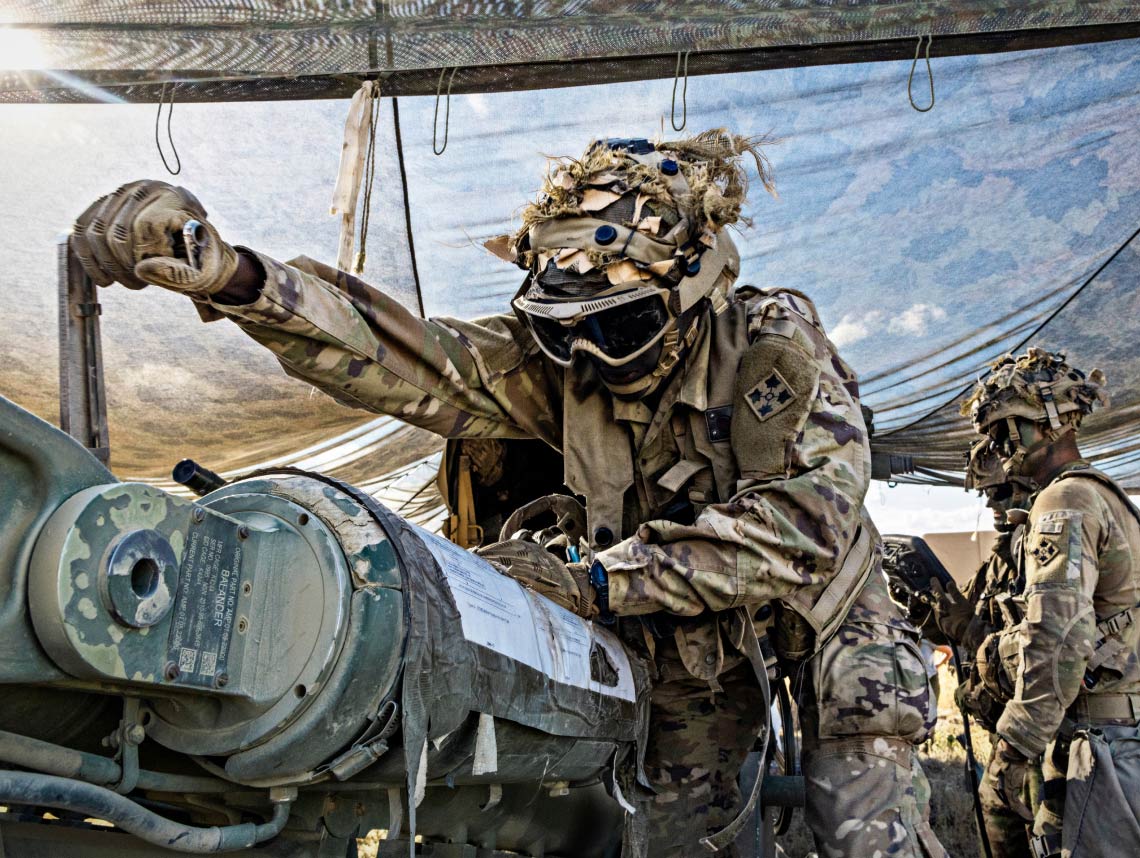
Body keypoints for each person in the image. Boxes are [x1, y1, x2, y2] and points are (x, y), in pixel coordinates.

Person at [71, 131, 945, 858]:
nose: (590, 361)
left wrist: (598, 583)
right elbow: (408, 355)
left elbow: (801, 533)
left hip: (819, 615)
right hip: (689, 630)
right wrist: (239, 279)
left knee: (862, 822)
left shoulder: (773, 346)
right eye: (563, 336)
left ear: (695, 289)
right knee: (676, 833)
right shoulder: (566, 362)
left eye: (620, 327)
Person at [962, 348, 1140, 858]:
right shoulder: (1099, 494)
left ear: (1049, 423)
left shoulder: (1065, 501)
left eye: (1006, 428)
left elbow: (1059, 638)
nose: (997, 445)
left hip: (1103, 742)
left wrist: (1013, 745)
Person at [928, 439, 1039, 858]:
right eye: (986, 494)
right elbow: (957, 626)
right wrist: (930, 607)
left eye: (1001, 492)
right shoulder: (1000, 556)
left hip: (1038, 733)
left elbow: (1034, 646)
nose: (992, 503)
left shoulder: (1039, 548)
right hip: (1005, 728)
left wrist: (965, 627)